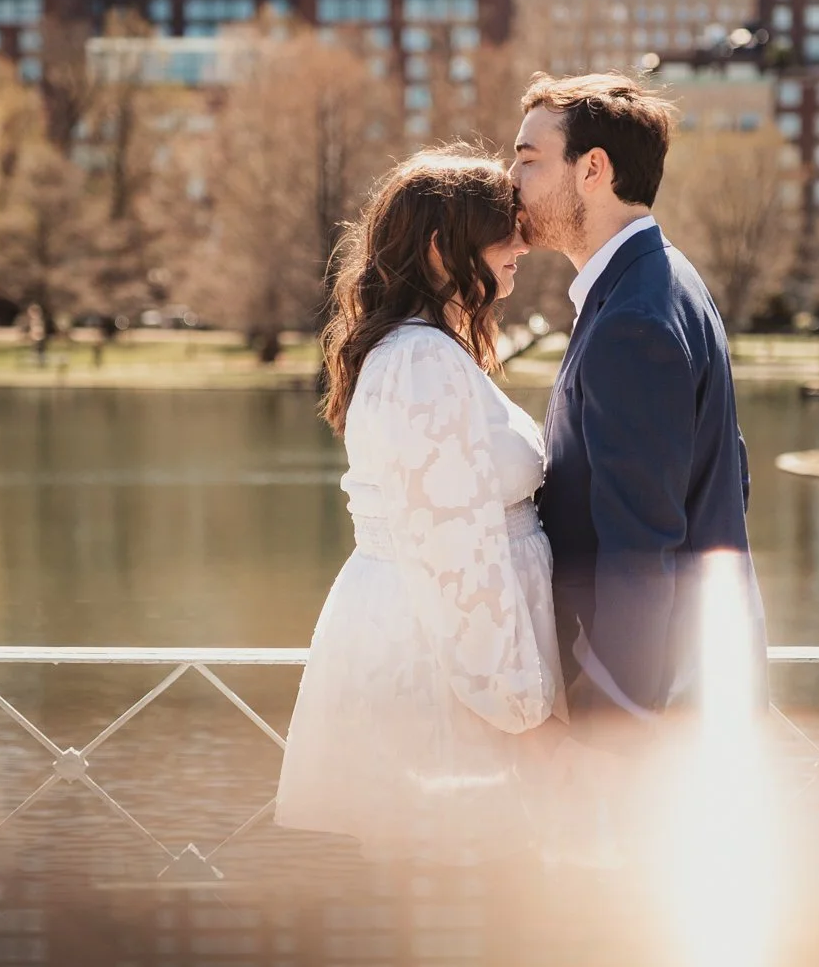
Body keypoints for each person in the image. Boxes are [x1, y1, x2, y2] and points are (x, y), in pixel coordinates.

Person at [274, 149, 561, 857]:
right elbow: (454, 553)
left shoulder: (426, 352)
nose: (521, 243)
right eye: (502, 231)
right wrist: (523, 712)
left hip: (448, 657)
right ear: (441, 248)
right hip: (450, 671)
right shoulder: (420, 363)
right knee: (458, 891)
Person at [511, 73, 762, 754]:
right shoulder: (662, 281)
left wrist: (610, 726)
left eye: (529, 159)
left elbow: (639, 553)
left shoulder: (634, 319)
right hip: (686, 690)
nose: (511, 180)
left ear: (592, 169)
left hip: (641, 719)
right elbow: (729, 478)